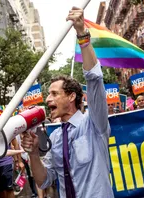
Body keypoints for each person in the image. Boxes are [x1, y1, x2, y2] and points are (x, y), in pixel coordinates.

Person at [21, 7, 114, 198]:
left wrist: (82, 35)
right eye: (48, 94)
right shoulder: (55, 139)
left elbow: (94, 79)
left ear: (72, 96)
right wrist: (33, 154)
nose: (48, 100)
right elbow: (44, 180)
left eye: (55, 94)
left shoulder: (94, 124)